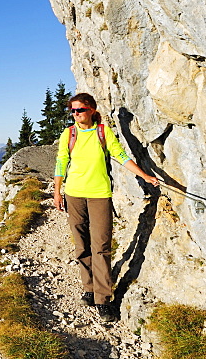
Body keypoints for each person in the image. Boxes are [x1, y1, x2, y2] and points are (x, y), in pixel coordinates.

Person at [53, 92, 159, 321]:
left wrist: (145, 175)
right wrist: (57, 191)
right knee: (81, 245)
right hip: (73, 195)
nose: (75, 114)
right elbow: (61, 161)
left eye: (79, 110)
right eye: (72, 111)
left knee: (100, 246)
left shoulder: (102, 132)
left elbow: (120, 155)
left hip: (100, 195)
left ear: (91, 109)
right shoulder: (69, 134)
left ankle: (103, 299)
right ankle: (89, 289)